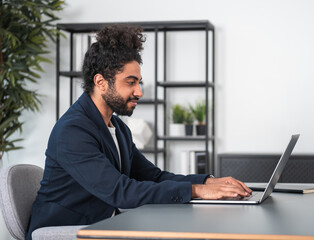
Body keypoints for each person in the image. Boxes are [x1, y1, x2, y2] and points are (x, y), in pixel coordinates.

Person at [25, 24, 252, 240]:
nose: (139, 92)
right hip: (65, 231)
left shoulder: (118, 127)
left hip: (105, 224)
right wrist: (197, 191)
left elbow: (154, 176)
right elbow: (121, 192)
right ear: (101, 82)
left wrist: (208, 182)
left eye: (139, 82)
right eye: (131, 82)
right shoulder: (73, 131)